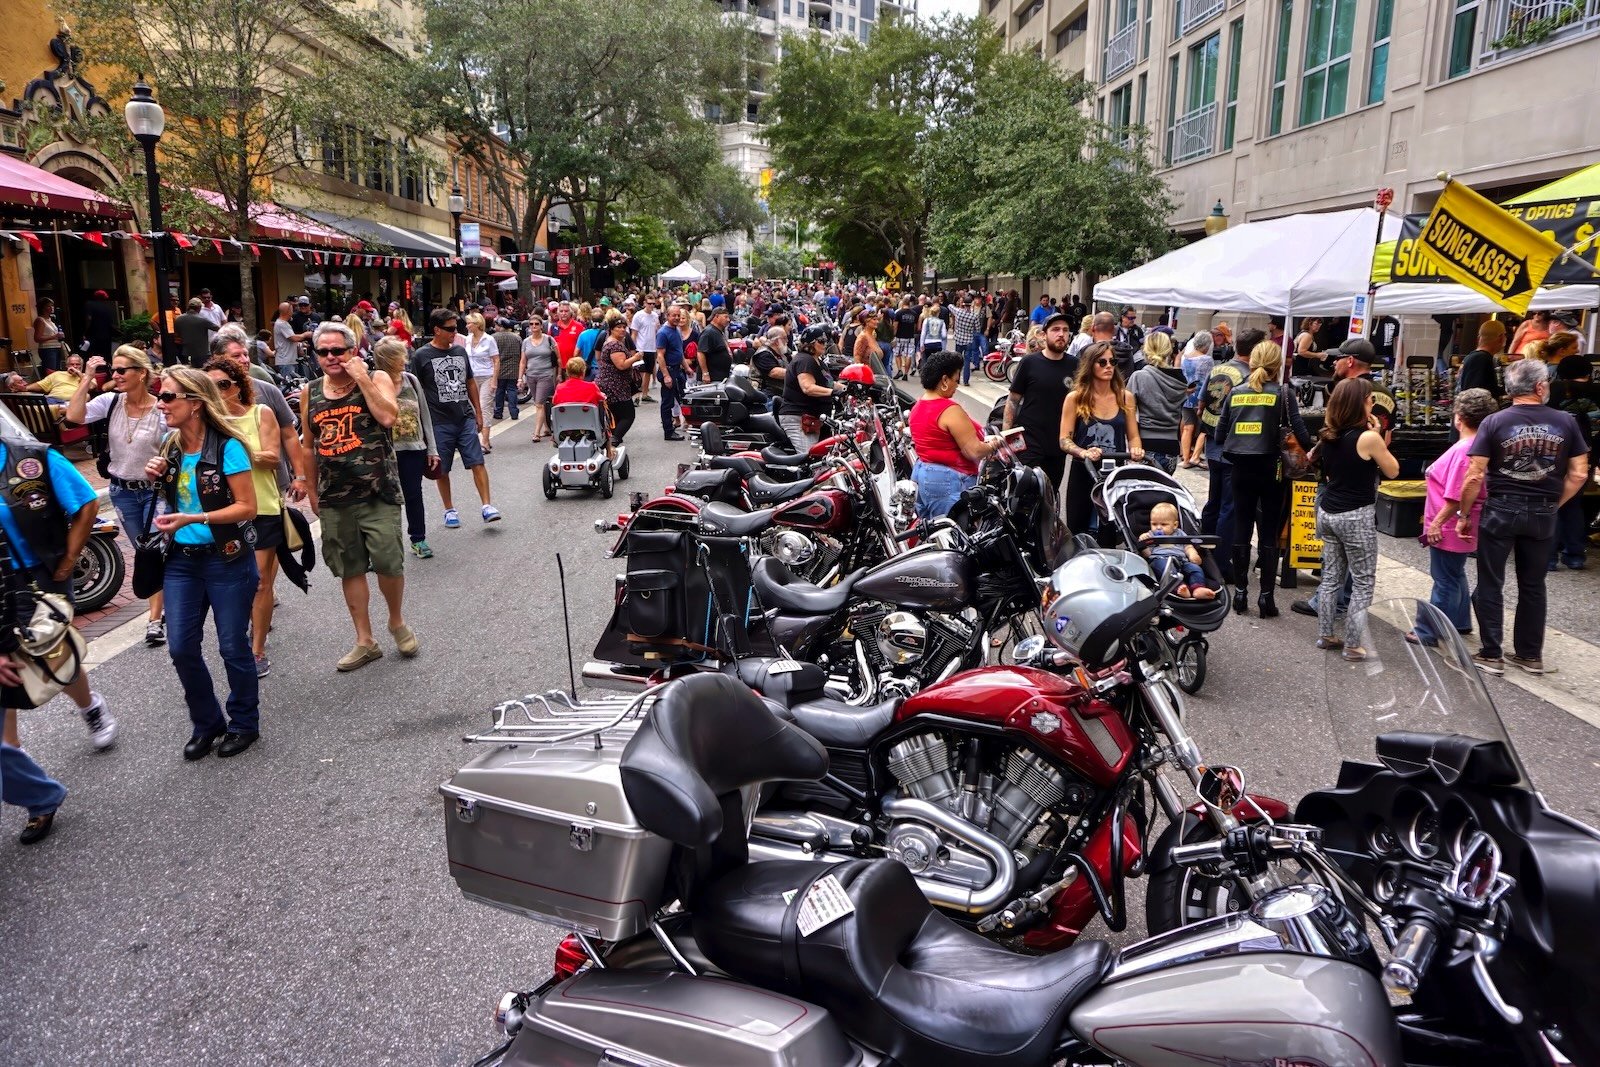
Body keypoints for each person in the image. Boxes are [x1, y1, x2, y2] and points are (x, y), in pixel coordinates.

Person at [144, 367, 260, 758]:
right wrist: (155, 478)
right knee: (181, 648)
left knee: (232, 646)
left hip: (226, 560)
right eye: (160, 396)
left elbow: (248, 506)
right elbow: (169, 501)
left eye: (168, 397)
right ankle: (207, 723)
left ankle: (244, 723)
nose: (160, 403)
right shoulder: (169, 445)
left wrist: (195, 519)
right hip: (181, 561)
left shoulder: (227, 446)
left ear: (195, 403)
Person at [1458, 359, 1588, 676]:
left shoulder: (1494, 422)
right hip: (1543, 511)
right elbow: (1580, 473)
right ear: (1540, 387)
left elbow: (1474, 476)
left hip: (1501, 508)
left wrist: (1464, 514)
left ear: (1509, 388)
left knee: (1491, 582)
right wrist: (1554, 503)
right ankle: (1530, 656)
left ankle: (1491, 654)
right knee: (1533, 585)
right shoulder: (1566, 421)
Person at [303, 323, 416, 673]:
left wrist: (362, 378)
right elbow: (309, 445)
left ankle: (396, 621)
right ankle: (364, 640)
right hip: (335, 495)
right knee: (349, 567)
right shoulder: (310, 391)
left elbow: (387, 416)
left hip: (377, 490)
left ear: (353, 350)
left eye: (338, 350)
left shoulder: (377, 377)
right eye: (324, 352)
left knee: (388, 560)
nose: (331, 357)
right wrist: (310, 489)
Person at [67, 346, 169, 644]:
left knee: (155, 550)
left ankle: (155, 619)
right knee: (144, 552)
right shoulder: (110, 402)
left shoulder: (161, 408)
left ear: (142, 373)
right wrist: (86, 379)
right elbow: (74, 416)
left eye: (122, 370)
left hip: (155, 492)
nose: (115, 375)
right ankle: (164, 606)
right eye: (113, 370)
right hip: (122, 491)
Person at [1212, 341, 1312, 617]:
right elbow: (1302, 435)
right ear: (1277, 365)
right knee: (1268, 531)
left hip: (1241, 468)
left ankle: (1241, 594)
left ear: (1252, 362)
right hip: (1273, 470)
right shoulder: (1284, 393)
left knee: (1241, 527)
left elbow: (1220, 435)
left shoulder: (1237, 392)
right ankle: (1266, 598)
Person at [202, 356, 286, 678]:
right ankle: (237, 638)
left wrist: (236, 451)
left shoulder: (259, 413)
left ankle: (257, 649)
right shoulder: (205, 423)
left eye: (224, 384)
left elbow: (271, 458)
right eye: (211, 386)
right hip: (223, 511)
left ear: (238, 387)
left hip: (262, 507)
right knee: (231, 581)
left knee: (261, 580)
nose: (218, 392)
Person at [1311, 377, 1400, 661]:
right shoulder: (1368, 438)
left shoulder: (1328, 434)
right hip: (1356, 516)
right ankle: (1352, 644)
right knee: (1363, 581)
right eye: (1370, 399)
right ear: (1360, 403)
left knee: (1331, 577)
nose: (1373, 402)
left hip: (1328, 511)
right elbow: (1393, 470)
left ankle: (1326, 634)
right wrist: (1377, 433)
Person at [1410, 389, 1499, 646]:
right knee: (1454, 573)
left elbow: (1457, 494)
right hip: (1459, 522)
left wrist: (1437, 522)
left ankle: (1428, 631)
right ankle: (1459, 621)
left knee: (1444, 578)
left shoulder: (1464, 450)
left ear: (1458, 418)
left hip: (1449, 523)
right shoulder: (1477, 447)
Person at [409, 307, 501, 527]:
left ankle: (487, 505)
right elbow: (415, 388)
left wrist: (478, 412)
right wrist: (420, 422)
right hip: (438, 421)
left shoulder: (459, 352)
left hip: (464, 417)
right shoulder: (422, 356)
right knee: (442, 468)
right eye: (450, 329)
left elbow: (469, 381)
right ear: (436, 330)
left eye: (456, 328)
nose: (455, 333)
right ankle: (449, 509)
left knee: (477, 461)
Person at [1060, 340, 1145, 537]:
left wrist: (1136, 450)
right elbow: (1064, 439)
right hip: (1083, 469)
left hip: (1114, 470)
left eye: (1112, 362)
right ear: (1090, 365)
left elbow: (1133, 436)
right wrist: (1083, 452)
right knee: (1078, 527)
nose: (1108, 367)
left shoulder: (1125, 397)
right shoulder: (1076, 398)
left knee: (1111, 528)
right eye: (1102, 362)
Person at [909, 351, 999, 521]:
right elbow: (973, 451)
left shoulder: (918, 406)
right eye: (956, 380)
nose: (957, 386)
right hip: (948, 481)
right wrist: (993, 444)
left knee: (933, 533)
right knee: (953, 537)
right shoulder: (949, 410)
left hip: (923, 476)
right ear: (944, 380)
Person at [1198, 329, 1256, 581]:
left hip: (1213, 444)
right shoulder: (1249, 377)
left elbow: (1201, 405)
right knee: (1228, 508)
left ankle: (1202, 554)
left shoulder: (1217, 370)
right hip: (1234, 448)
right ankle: (1220, 564)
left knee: (1214, 502)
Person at [371, 339, 438, 560]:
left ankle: (418, 539)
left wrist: (432, 449)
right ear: (389, 359)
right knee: (380, 499)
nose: (405, 358)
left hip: (413, 448)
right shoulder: (372, 383)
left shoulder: (411, 381)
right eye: (401, 355)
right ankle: (378, 549)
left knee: (413, 495)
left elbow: (424, 415)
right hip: (382, 451)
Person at [1004, 311, 1078, 490]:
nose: (1061, 334)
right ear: (1044, 335)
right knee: (1026, 496)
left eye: (1065, 330)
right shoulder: (1029, 362)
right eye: (1055, 329)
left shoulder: (1075, 364)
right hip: (1029, 442)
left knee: (1050, 495)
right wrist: (1005, 437)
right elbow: (1013, 400)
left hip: (1058, 445)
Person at [1548, 353, 1600, 570]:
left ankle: (1549, 557)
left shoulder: (1554, 389)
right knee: (1573, 502)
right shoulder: (1598, 391)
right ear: (1588, 372)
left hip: (1553, 451)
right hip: (1589, 452)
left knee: (1551, 501)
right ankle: (1575, 554)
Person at [1127, 332, 1186, 473]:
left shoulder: (1139, 376)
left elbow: (1127, 412)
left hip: (1145, 443)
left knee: (1142, 491)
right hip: (1171, 445)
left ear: (1145, 350)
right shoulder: (1180, 379)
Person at [1139, 502, 1216, 600]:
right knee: (1167, 571)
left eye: (1163, 524)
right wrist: (1143, 543)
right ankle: (1179, 587)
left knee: (1195, 569)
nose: (1158, 527)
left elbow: (1188, 546)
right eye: (1154, 524)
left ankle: (1198, 588)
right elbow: (1147, 554)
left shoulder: (1180, 533)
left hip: (1182, 560)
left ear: (1175, 525)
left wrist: (1193, 554)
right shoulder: (1150, 535)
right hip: (1160, 560)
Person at [778, 324, 835, 452]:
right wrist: (833, 392)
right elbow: (807, 388)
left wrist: (849, 388)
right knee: (810, 457)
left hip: (813, 418)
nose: (825, 344)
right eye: (821, 341)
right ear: (810, 344)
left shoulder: (819, 363)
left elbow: (830, 383)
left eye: (826, 341)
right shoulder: (805, 360)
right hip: (799, 418)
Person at [593, 318, 637, 448]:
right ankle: (613, 441)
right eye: (619, 327)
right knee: (628, 415)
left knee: (615, 415)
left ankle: (610, 442)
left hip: (611, 384)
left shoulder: (612, 342)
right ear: (611, 329)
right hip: (615, 386)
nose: (622, 329)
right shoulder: (614, 345)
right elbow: (621, 365)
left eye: (624, 327)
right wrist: (635, 358)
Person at [459, 313, 497, 453]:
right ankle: (481, 437)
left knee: (484, 406)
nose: (467, 326)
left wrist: (494, 380)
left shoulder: (489, 339)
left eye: (469, 323)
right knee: (474, 408)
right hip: (472, 377)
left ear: (477, 324)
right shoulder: (467, 340)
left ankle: (485, 442)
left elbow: (496, 360)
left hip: (487, 375)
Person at [1178, 330, 1214, 468]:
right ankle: (1196, 456)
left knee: (1187, 427)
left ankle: (1185, 458)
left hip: (1187, 396)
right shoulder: (1207, 360)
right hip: (1201, 397)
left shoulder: (1186, 358)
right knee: (1205, 428)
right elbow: (1209, 379)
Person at [521, 315, 558, 443]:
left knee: (539, 403)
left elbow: (558, 358)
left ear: (542, 326)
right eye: (531, 324)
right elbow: (523, 361)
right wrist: (520, 378)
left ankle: (536, 432)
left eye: (536, 324)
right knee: (540, 403)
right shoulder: (526, 342)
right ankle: (547, 428)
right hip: (531, 375)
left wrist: (558, 374)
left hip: (546, 375)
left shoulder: (549, 339)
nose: (534, 326)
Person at [654, 305, 689, 441]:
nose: (676, 318)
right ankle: (668, 432)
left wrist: (686, 367)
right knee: (667, 403)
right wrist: (666, 375)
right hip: (668, 371)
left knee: (682, 398)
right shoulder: (663, 333)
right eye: (673, 315)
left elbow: (678, 352)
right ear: (667, 316)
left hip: (677, 370)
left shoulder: (677, 330)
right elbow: (660, 356)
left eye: (678, 315)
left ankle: (683, 424)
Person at [1456, 319, 1507, 400]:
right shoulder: (1481, 359)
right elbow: (1474, 395)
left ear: (1479, 338)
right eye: (1505, 336)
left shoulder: (1474, 357)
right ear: (1501, 338)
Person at [490, 318, 522, 424]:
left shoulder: (493, 338)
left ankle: (498, 412)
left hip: (499, 369)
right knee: (512, 390)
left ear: (499, 326)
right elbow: (521, 352)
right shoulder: (516, 338)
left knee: (500, 391)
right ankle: (514, 412)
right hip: (513, 368)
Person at [629, 296, 660, 402]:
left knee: (649, 371)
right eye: (649, 303)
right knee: (639, 372)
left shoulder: (655, 316)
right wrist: (633, 350)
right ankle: (637, 395)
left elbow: (656, 331)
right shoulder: (638, 315)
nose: (651, 306)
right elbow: (634, 333)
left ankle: (645, 394)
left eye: (653, 304)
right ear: (645, 303)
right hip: (640, 347)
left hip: (651, 348)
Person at [952, 293, 985, 386]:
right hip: (969, 340)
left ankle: (957, 378)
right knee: (967, 361)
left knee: (957, 360)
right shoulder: (974, 316)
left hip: (959, 339)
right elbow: (978, 329)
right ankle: (966, 381)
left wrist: (959, 301)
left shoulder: (958, 311)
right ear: (971, 304)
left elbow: (950, 306)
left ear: (963, 304)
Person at [273, 302, 310, 380]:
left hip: (290, 360)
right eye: (292, 310)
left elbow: (290, 340)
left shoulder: (283, 323)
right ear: (288, 311)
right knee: (290, 386)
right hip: (286, 361)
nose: (292, 312)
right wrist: (306, 334)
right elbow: (293, 338)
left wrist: (301, 344)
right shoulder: (282, 324)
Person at [174, 298, 213, 369]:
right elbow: (218, 328)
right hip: (201, 353)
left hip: (184, 352)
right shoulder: (202, 320)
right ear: (199, 308)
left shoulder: (178, 319)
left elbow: (176, 333)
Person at [699, 306, 733, 383]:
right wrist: (705, 373)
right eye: (725, 317)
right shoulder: (708, 332)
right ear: (716, 316)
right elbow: (700, 353)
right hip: (712, 378)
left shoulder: (719, 331)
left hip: (721, 377)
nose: (728, 320)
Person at [82, 289, 117, 358]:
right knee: (106, 356)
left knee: (91, 354)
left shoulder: (89, 304)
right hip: (106, 337)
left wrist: (85, 333)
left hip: (93, 335)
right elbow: (111, 323)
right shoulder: (108, 308)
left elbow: (89, 319)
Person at [891, 295, 920, 380]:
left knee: (897, 354)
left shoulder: (899, 313)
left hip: (900, 336)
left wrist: (893, 335)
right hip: (910, 336)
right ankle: (906, 374)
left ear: (903, 303)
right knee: (908, 355)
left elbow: (895, 326)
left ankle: (900, 370)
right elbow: (915, 326)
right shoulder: (914, 314)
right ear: (910, 303)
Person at [853, 310, 887, 380]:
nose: (877, 322)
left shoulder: (872, 335)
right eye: (874, 319)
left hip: (875, 375)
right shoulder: (863, 337)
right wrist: (862, 376)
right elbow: (857, 358)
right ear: (866, 321)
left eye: (877, 319)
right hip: (867, 377)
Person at [917, 300, 949, 369]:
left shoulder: (927, 320)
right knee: (936, 362)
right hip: (937, 343)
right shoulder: (941, 322)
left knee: (926, 361)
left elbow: (923, 333)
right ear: (938, 313)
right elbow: (944, 335)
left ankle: (926, 374)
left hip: (927, 342)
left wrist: (922, 344)